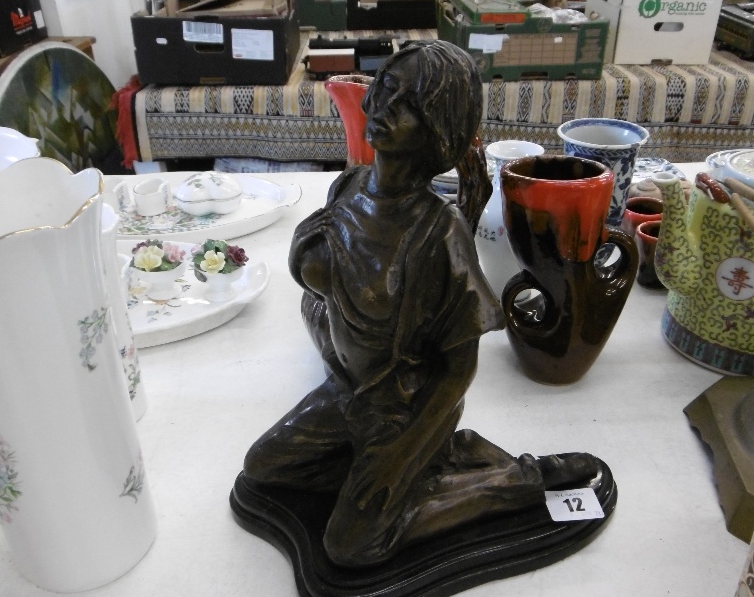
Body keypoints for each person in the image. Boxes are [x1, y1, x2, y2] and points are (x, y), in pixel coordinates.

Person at [243, 40, 597, 568]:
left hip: (403, 406)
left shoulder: (438, 232)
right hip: (349, 391)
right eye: (384, 88)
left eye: (407, 104)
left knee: (350, 547)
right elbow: (328, 295)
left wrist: (398, 457)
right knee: (262, 468)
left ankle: (514, 480)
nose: (383, 109)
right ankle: (440, 460)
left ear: (439, 127)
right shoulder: (348, 186)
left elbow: (458, 371)